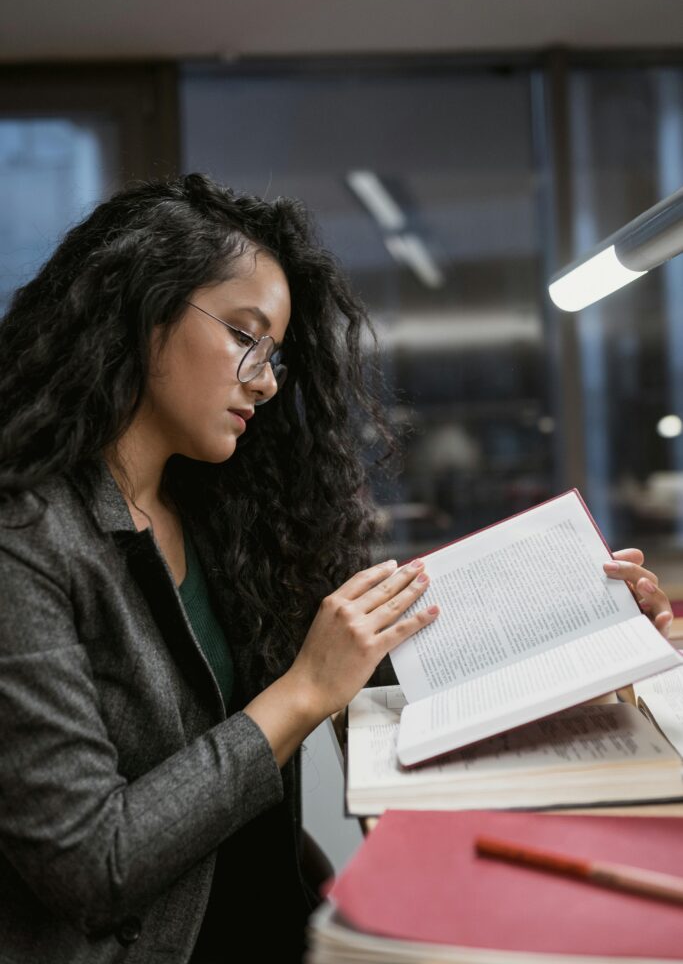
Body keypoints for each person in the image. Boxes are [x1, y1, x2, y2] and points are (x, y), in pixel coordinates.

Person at [0, 174, 673, 964]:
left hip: (282, 922)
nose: (265, 379)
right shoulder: (26, 542)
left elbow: (366, 651)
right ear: (139, 311)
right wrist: (304, 691)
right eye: (244, 335)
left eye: (275, 352)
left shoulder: (213, 513)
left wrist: (584, 632)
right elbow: (93, 864)